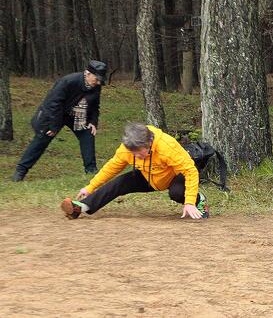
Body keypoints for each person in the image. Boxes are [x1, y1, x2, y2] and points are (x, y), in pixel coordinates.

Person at [60, 123, 209, 220]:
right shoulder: (128, 149)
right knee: (120, 182)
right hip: (149, 175)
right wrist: (90, 187)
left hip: (173, 175)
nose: (135, 156)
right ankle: (81, 207)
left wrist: (189, 201)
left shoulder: (166, 146)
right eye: (133, 153)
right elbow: (111, 167)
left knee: (176, 193)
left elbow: (190, 171)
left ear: (149, 143)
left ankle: (199, 200)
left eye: (139, 152)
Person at [13, 60, 108, 181]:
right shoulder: (68, 81)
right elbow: (53, 104)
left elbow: (95, 106)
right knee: (42, 138)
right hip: (56, 114)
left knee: (88, 134)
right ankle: (21, 170)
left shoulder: (96, 86)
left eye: (100, 80)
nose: (98, 82)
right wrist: (53, 126)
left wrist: (93, 122)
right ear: (88, 73)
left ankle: (91, 170)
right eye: (96, 79)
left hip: (77, 116)